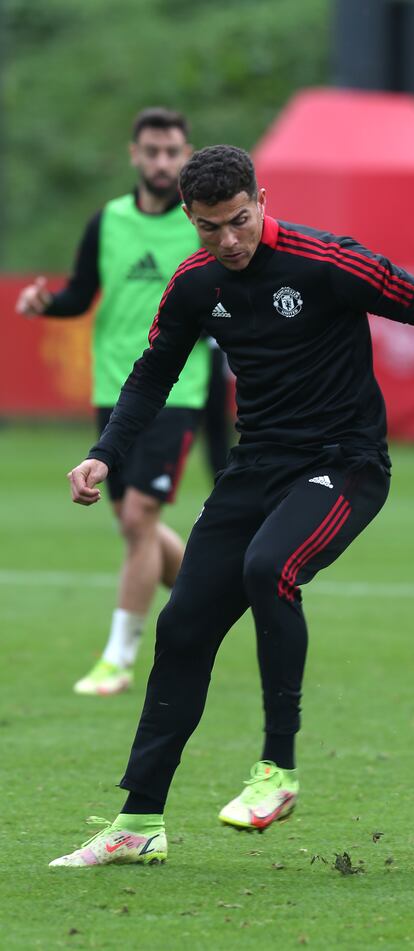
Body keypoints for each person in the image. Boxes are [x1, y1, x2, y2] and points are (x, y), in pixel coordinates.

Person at [49, 144, 414, 868]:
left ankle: (277, 769)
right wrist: (104, 453)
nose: (228, 241)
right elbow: (151, 376)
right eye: (210, 228)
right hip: (255, 470)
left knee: (270, 567)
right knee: (181, 628)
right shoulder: (195, 282)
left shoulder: (328, 261)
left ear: (261, 200)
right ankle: (138, 820)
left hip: (346, 465)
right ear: (190, 220)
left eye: (238, 221)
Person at [16, 107, 212, 697]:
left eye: (171, 151)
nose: (160, 162)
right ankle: (211, 599)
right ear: (134, 154)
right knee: (137, 531)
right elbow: (80, 294)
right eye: (151, 151)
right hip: (114, 393)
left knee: (139, 519)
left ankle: (119, 659)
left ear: (186, 154)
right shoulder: (108, 222)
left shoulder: (199, 225)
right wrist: (46, 304)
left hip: (178, 389)